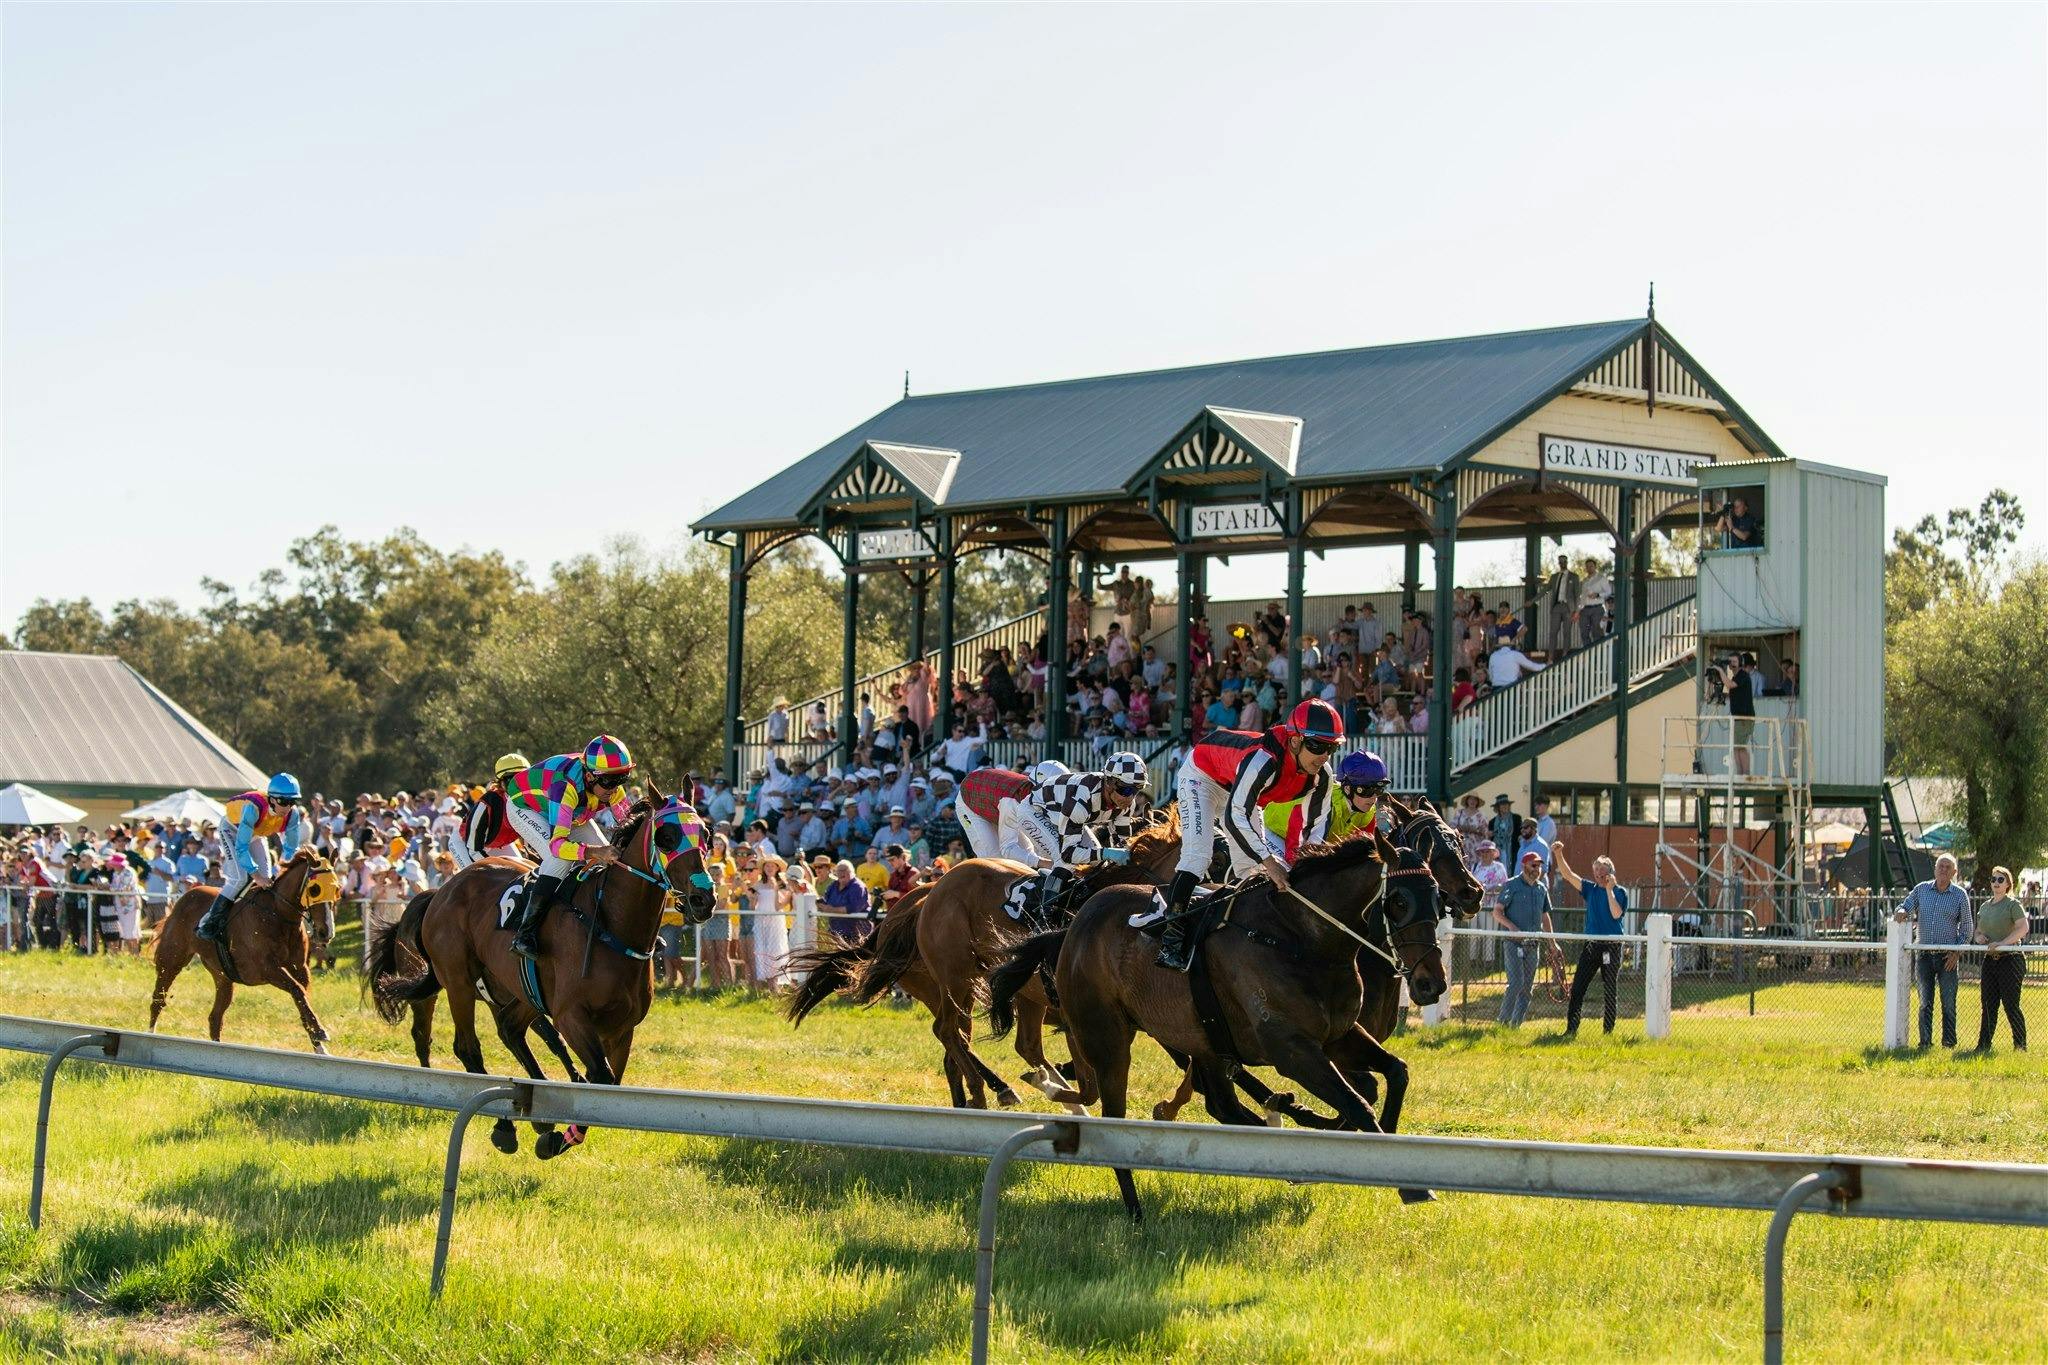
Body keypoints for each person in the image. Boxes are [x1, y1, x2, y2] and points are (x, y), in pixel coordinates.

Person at [1158, 698, 1344, 971]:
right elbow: (1235, 818)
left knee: (1252, 870)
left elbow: (1314, 833)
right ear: (1294, 741)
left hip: (1239, 787)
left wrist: (1302, 870)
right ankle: (1171, 940)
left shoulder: (1322, 776)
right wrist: (1271, 862)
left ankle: (1239, 939)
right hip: (1202, 777)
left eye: (1332, 747)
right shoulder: (1264, 761)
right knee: (1198, 856)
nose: (1324, 756)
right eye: (1317, 746)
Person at [504, 736, 635, 959]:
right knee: (561, 859)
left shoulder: (609, 784)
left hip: (570, 812)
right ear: (590, 775)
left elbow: (630, 825)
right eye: (609, 781)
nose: (615, 788)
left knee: (610, 858)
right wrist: (595, 852)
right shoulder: (565, 786)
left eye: (621, 778)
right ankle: (525, 933)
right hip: (526, 808)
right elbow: (558, 846)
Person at [1003, 752, 1149, 917]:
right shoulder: (1081, 800)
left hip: (1063, 813)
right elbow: (1069, 854)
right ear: (1109, 782)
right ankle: (1046, 915)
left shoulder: (1127, 804)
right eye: (1126, 789)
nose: (1130, 798)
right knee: (1066, 861)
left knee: (1099, 864)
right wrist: (1107, 852)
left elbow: (1122, 843)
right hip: (1034, 812)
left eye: (1136, 790)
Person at [196, 773, 307, 943]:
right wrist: (256, 876)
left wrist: (283, 871)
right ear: (272, 799)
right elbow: (241, 848)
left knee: (268, 879)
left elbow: (291, 849)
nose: (288, 807)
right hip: (232, 831)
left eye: (292, 802)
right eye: (284, 801)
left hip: (255, 834)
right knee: (240, 878)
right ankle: (208, 923)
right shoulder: (253, 809)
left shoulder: (292, 815)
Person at [1896, 854, 1974, 1048]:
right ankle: (1925, 1043)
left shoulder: (1960, 895)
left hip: (1947, 957)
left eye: (1948, 867)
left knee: (1948, 1004)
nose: (1943, 870)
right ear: (1935, 869)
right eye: (1941, 866)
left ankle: (1948, 1043)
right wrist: (1901, 911)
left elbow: (1967, 928)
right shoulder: (1921, 889)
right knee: (1924, 1003)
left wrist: (1956, 952)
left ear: (1954, 872)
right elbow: (1905, 906)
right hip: (1923, 955)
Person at [1552, 843, 1626, 1036]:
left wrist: (1609, 890)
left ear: (1610, 873)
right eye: (1596, 869)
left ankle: (1608, 1032)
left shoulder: (1620, 892)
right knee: (1578, 988)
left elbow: (1616, 914)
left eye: (1602, 870)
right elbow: (1568, 875)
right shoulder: (1590, 889)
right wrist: (1558, 854)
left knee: (1609, 990)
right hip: (1592, 945)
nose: (1599, 873)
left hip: (1612, 946)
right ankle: (1571, 1029)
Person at [1493, 849, 1554, 1028]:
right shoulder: (1511, 885)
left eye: (1539, 866)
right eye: (1533, 865)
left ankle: (1516, 1024)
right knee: (1516, 983)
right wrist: (1511, 927)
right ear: (1524, 866)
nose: (1537, 869)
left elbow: (1545, 917)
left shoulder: (1541, 889)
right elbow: (1497, 911)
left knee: (1527, 987)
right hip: (1513, 943)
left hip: (1533, 945)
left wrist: (1552, 943)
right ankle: (1503, 1021)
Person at [1972, 865, 2028, 1052]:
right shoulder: (1984, 907)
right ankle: (1983, 1046)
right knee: (1988, 1005)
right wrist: (1979, 937)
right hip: (1990, 960)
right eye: (1993, 879)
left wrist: (2003, 943)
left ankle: (2020, 1046)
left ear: (2008, 884)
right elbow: (1978, 931)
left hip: (2011, 959)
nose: (1996, 883)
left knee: (2011, 1005)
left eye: (2000, 879)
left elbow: (2023, 928)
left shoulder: (2013, 904)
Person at [453, 752, 530, 869]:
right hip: (467, 844)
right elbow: (474, 850)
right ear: (501, 783)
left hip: (497, 844)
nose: (518, 786)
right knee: (482, 876)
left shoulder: (532, 800)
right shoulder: (489, 802)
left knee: (524, 872)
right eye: (511, 780)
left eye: (523, 779)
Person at [1544, 554, 1580, 659]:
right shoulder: (1554, 577)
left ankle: (1565, 655)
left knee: (1567, 632)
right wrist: (1532, 601)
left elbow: (1577, 595)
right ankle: (1550, 657)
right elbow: (1544, 590)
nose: (1562, 563)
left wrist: (1577, 611)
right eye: (1561, 561)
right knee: (1553, 632)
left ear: (1567, 562)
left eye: (1564, 561)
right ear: (1558, 563)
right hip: (1556, 606)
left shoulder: (1574, 576)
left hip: (1568, 608)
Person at [1487, 794, 1520, 867]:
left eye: (1506, 804)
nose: (1505, 806)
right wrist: (1489, 835)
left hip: (1512, 851)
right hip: (1497, 851)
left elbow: (1519, 834)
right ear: (1498, 807)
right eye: (1502, 804)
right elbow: (1490, 839)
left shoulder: (1516, 818)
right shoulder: (1492, 822)